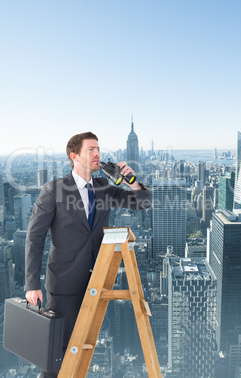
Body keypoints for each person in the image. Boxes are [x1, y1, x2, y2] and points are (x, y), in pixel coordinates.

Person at [24, 131, 151, 377]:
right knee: (58, 352)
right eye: (91, 149)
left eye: (98, 149)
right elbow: (35, 237)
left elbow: (142, 203)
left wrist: (131, 180)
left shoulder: (104, 187)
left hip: (98, 280)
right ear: (74, 156)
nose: (98, 154)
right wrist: (32, 284)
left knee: (83, 347)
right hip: (65, 283)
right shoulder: (54, 190)